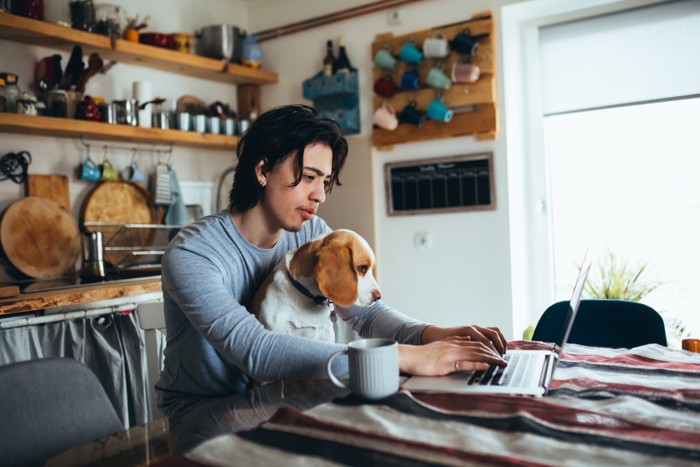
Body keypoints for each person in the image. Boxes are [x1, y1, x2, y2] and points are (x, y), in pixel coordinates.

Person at [156, 104, 507, 417]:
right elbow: (255, 349)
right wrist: (401, 356)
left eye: (324, 181)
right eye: (308, 177)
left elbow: (364, 313)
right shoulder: (194, 253)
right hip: (205, 414)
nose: (320, 195)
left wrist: (431, 335)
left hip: (287, 399)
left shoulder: (312, 233)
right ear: (263, 170)